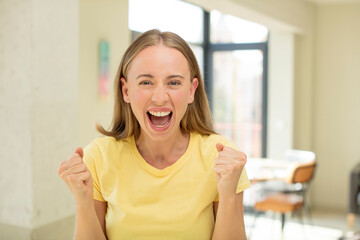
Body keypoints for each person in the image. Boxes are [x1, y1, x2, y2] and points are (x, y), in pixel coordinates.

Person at [57, 29, 251, 240]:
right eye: (146, 82)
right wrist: (82, 201)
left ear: (191, 90)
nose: (160, 98)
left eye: (174, 82)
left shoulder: (221, 160)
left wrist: (229, 194)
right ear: (126, 90)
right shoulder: (98, 157)